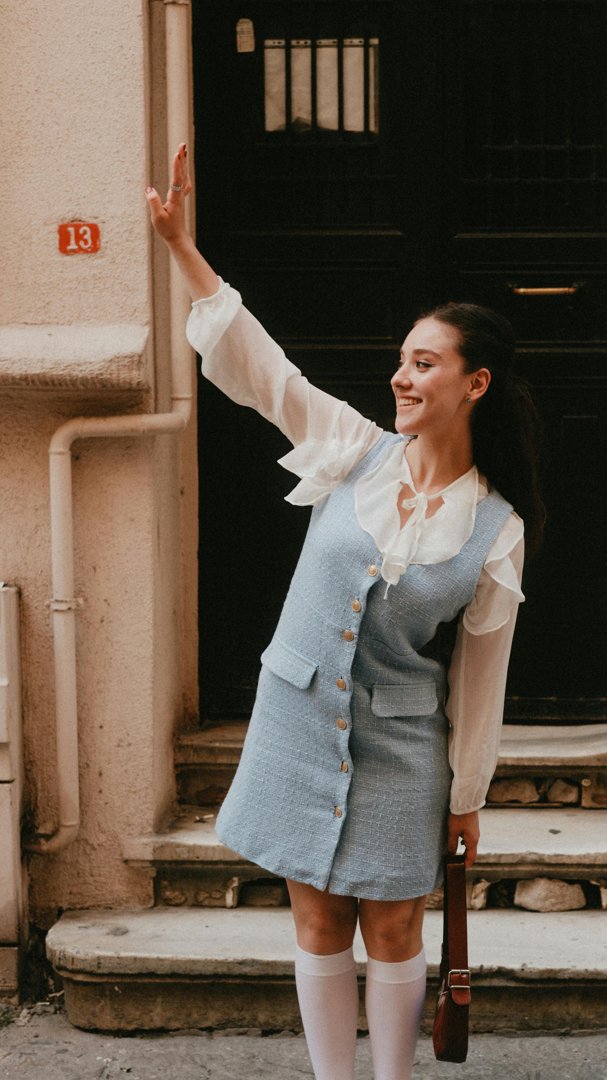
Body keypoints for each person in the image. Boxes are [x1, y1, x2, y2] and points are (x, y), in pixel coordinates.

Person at [146, 144, 544, 1080]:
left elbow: (482, 678)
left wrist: (470, 797)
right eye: (401, 361)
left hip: (404, 747)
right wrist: (180, 246)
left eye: (425, 363)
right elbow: (262, 368)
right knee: (317, 915)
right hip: (295, 718)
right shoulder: (351, 448)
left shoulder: (497, 527)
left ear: (474, 382)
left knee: (396, 923)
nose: (402, 377)